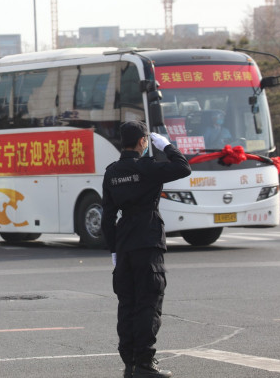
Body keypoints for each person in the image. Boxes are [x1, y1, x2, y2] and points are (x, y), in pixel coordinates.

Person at [102, 121, 191, 378]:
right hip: (148, 239)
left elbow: (108, 216)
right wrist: (168, 147)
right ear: (143, 141)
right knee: (148, 302)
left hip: (124, 241)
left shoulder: (112, 172)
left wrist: (114, 250)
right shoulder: (148, 167)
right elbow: (183, 168)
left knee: (127, 304)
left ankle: (129, 362)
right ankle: (144, 362)